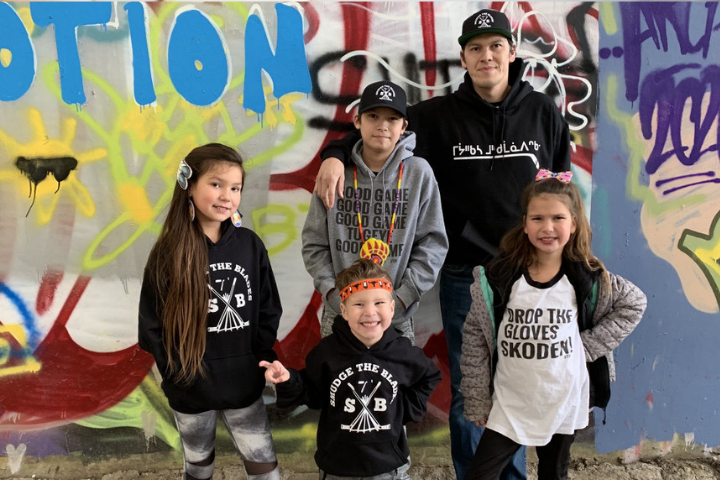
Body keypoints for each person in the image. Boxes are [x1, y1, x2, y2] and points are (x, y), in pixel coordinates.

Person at [315, 8, 571, 480]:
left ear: (511, 53)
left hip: (528, 275)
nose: (486, 56)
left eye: (496, 46)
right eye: (476, 48)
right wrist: (332, 155)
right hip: (466, 275)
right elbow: (377, 133)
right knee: (472, 388)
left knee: (517, 385)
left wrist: (565, 264)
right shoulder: (435, 117)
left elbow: (562, 191)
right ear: (463, 57)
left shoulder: (542, 113)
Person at [460, 171, 647, 480]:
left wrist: (585, 347)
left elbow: (634, 303)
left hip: (563, 399)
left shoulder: (587, 278)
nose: (547, 227)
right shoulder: (500, 278)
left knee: (553, 473)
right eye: (537, 218)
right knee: (480, 474)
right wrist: (479, 399)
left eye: (558, 218)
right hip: (510, 402)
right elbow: (475, 337)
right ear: (524, 224)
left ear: (573, 224)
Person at [138, 143, 282, 480]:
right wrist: (175, 373)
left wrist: (256, 358)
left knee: (264, 467)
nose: (227, 196)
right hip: (190, 386)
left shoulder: (249, 245)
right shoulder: (168, 252)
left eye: (235, 188)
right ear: (189, 185)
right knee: (198, 468)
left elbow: (268, 306)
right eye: (216, 184)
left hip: (243, 382)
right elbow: (151, 324)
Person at [260, 259, 442, 480]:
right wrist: (288, 379)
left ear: (392, 308)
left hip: (386, 467)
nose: (369, 312)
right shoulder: (327, 352)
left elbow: (429, 376)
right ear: (344, 311)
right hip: (338, 467)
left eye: (379, 303)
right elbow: (310, 392)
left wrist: (405, 409)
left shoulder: (404, 353)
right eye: (359, 304)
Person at [303, 80, 448, 344]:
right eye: (373, 116)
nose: (382, 125)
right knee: (335, 384)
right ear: (357, 121)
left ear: (404, 127)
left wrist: (403, 297)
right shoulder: (335, 172)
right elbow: (313, 243)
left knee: (396, 385)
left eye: (392, 118)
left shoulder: (419, 173)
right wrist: (335, 296)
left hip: (397, 315)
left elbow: (433, 244)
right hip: (341, 314)